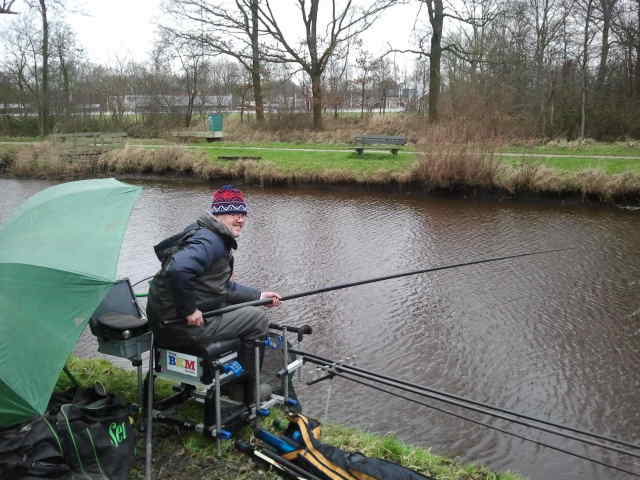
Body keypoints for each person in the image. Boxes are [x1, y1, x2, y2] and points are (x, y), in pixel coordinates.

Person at [146, 185, 281, 403]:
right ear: (218, 214)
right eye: (233, 213)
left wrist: (259, 296)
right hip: (179, 325)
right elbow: (178, 269)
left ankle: (235, 382)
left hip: (165, 322)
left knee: (248, 309)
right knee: (257, 319)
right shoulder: (210, 241)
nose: (240, 219)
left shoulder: (204, 234)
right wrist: (189, 309)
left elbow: (220, 288)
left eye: (243, 213)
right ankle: (245, 392)